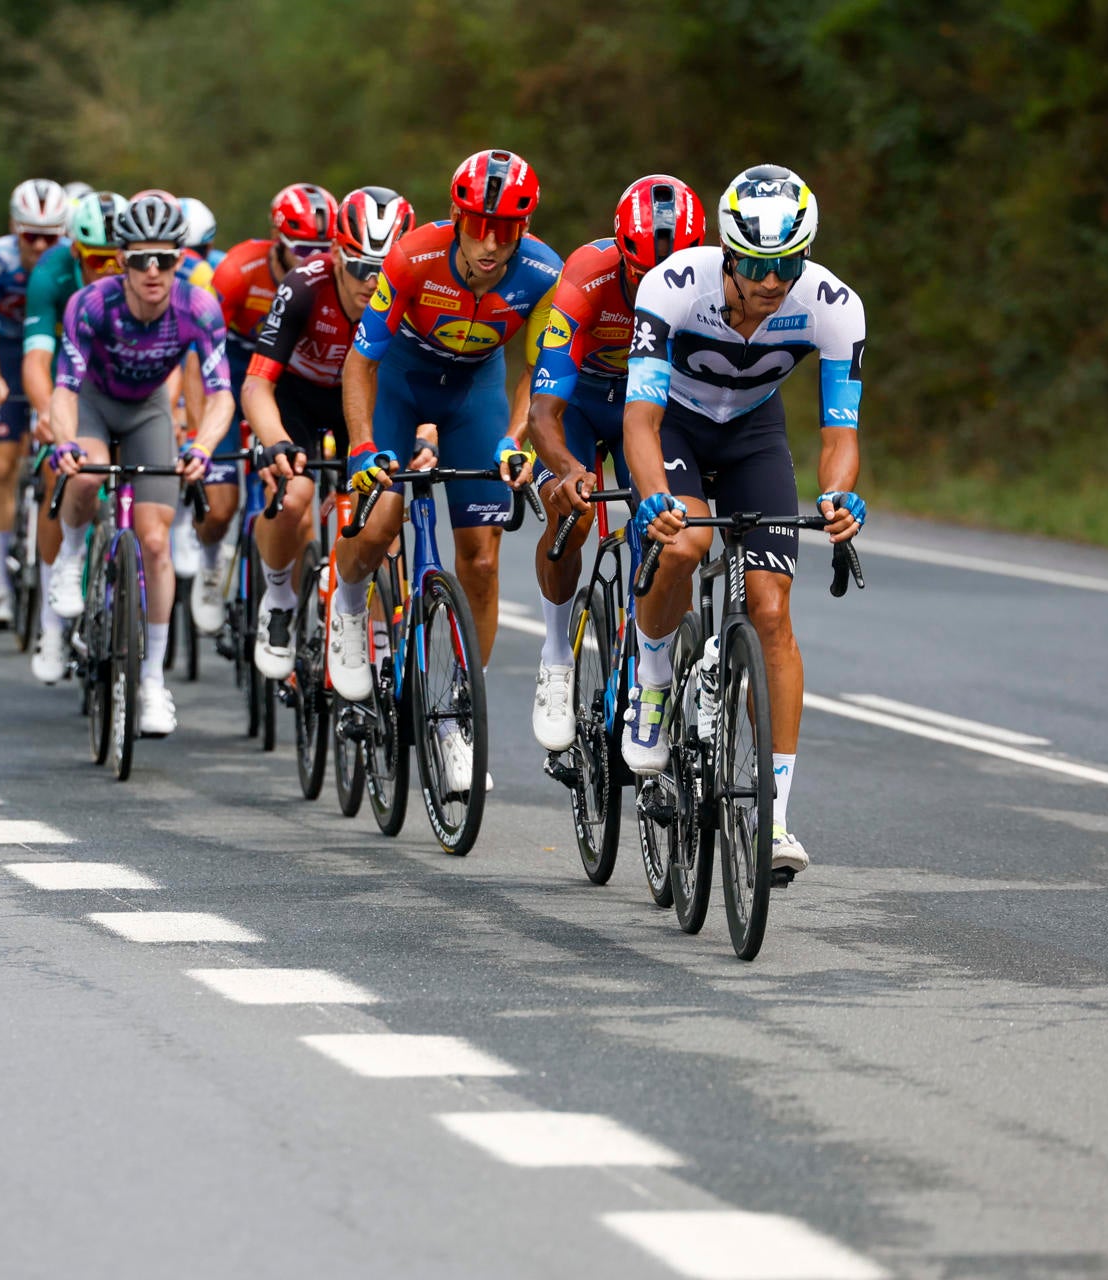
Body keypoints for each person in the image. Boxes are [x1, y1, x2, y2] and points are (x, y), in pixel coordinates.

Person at [620, 164, 867, 876]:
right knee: (688, 542)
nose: (772, 279)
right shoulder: (671, 286)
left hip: (756, 434)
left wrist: (836, 496)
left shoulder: (833, 306)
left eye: (787, 262)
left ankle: (775, 820)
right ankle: (657, 676)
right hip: (677, 429)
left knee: (772, 611)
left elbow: (839, 438)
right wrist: (650, 498)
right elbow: (639, 419)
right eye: (757, 263)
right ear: (727, 252)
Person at [327, 149, 562, 794]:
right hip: (400, 385)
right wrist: (362, 446)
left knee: (482, 562)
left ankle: (458, 715)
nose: (491, 244)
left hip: (473, 398)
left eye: (507, 229)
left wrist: (516, 443)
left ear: (524, 228)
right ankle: (348, 606)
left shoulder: (544, 273)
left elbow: (543, 375)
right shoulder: (411, 259)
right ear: (457, 216)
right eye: (479, 224)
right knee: (377, 527)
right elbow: (361, 362)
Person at [522, 175, 705, 751]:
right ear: (622, 251)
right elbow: (542, 411)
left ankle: (647, 662)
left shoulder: (710, 286)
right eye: (640, 274)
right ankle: (556, 657)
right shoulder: (585, 276)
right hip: (577, 403)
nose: (656, 291)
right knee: (569, 516)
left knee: (667, 531)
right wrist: (569, 471)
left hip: (645, 413)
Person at [46, 193, 234, 738]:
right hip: (94, 405)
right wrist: (63, 440)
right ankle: (73, 553)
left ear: (180, 259)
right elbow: (64, 388)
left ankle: (152, 680)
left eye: (165, 260)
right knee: (85, 474)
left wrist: (202, 445)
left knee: (155, 543)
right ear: (120, 260)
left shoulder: (198, 307)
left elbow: (221, 394)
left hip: (150, 409)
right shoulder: (90, 303)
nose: (152, 272)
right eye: (139, 260)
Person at [242, 186, 414, 678]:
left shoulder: (408, 293)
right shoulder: (302, 285)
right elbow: (256, 383)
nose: (371, 283)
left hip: (362, 403)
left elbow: (424, 382)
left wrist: (425, 434)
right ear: (337, 254)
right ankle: (278, 598)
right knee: (293, 495)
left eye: (383, 272)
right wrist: (275, 441)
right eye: (360, 268)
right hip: (295, 397)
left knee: (383, 513)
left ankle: (376, 640)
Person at [193, 182, 335, 634]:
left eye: (322, 248)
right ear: (277, 239)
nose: (313, 258)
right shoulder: (238, 270)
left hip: (288, 377)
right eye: (301, 248)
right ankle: (212, 563)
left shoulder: (331, 280)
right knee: (219, 508)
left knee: (296, 501)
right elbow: (199, 354)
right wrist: (198, 428)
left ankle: (289, 616)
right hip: (233, 368)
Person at [21, 189, 127, 683]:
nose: (108, 269)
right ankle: (50, 624)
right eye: (96, 259)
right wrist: (48, 415)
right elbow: (37, 360)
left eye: (116, 258)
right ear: (76, 252)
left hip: (128, 387)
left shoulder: (147, 279)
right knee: (56, 473)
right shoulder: (53, 273)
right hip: (70, 386)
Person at [0, 177, 67, 628]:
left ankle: (54, 580)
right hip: (7, 355)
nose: (42, 245)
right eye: (32, 235)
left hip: (56, 356)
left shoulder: (73, 263)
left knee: (59, 468)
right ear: (14, 229)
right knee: (0, 463)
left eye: (52, 235)